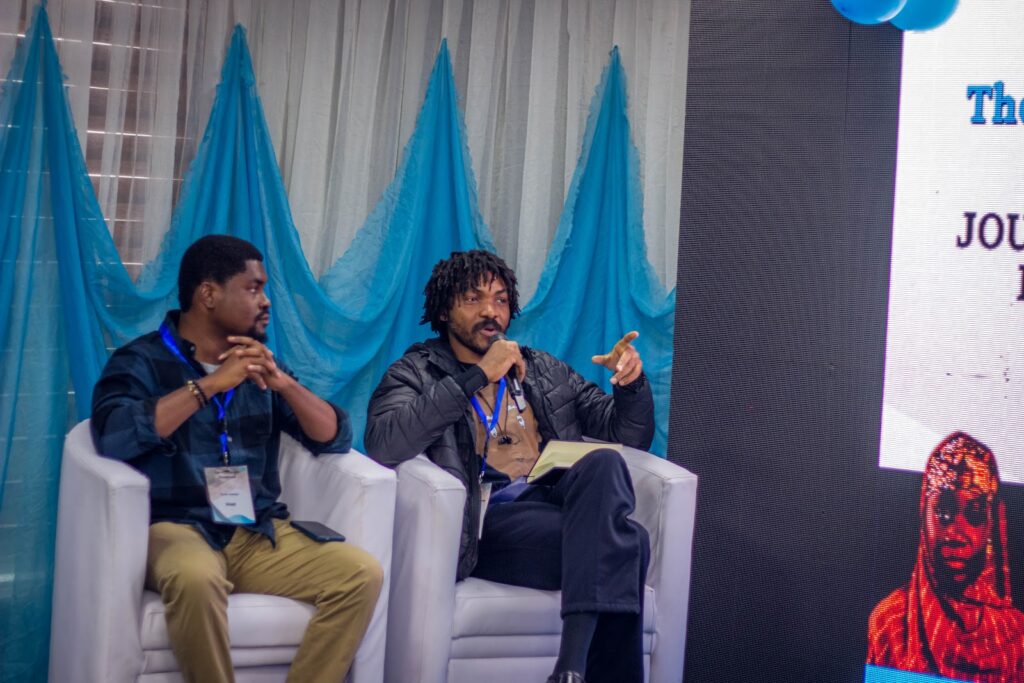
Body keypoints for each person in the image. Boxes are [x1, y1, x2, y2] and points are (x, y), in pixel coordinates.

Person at [91, 235, 383, 683]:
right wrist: (208, 386)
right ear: (208, 294)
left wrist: (283, 383)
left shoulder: (259, 364)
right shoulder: (141, 361)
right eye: (253, 288)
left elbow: (334, 437)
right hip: (176, 527)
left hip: (254, 530)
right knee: (194, 579)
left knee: (360, 575)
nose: (266, 302)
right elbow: (114, 437)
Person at [365, 249, 654, 683]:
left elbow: (628, 435)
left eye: (501, 300)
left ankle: (570, 667)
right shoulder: (415, 372)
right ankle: (580, 668)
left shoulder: (542, 369)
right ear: (445, 310)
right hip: (489, 519)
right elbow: (385, 443)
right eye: (473, 299)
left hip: (555, 501)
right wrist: (478, 375)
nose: (490, 312)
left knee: (605, 464)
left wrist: (629, 384)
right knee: (629, 541)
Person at [867, 431, 1024, 682]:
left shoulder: (1016, 636)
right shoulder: (892, 623)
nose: (956, 533)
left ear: (990, 527)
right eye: (943, 512)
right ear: (923, 515)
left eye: (974, 514)